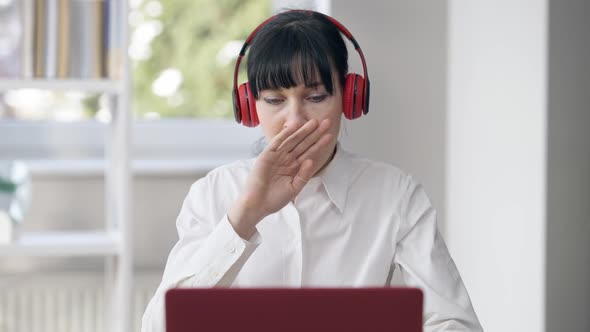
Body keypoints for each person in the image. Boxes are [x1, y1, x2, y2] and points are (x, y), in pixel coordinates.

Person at [141, 9, 483, 332]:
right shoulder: (214, 193)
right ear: (249, 106)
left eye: (316, 96)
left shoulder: (396, 195)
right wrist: (245, 215)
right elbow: (160, 326)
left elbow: (457, 324)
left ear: (350, 98)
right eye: (275, 101)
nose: (295, 121)